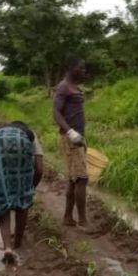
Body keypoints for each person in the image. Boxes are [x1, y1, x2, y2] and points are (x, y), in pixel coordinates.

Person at [0, 121, 44, 265]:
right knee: (23, 202)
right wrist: (30, 188)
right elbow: (39, 168)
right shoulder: (30, 135)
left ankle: (7, 248)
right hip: (22, 147)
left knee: (2, 199)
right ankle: (17, 243)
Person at [53, 57, 93, 231]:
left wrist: (80, 137)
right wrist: (70, 132)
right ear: (71, 68)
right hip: (70, 139)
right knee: (82, 178)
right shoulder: (63, 87)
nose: (84, 71)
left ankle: (68, 218)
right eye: (81, 67)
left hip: (76, 138)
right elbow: (55, 112)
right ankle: (83, 221)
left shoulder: (73, 87)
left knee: (73, 179)